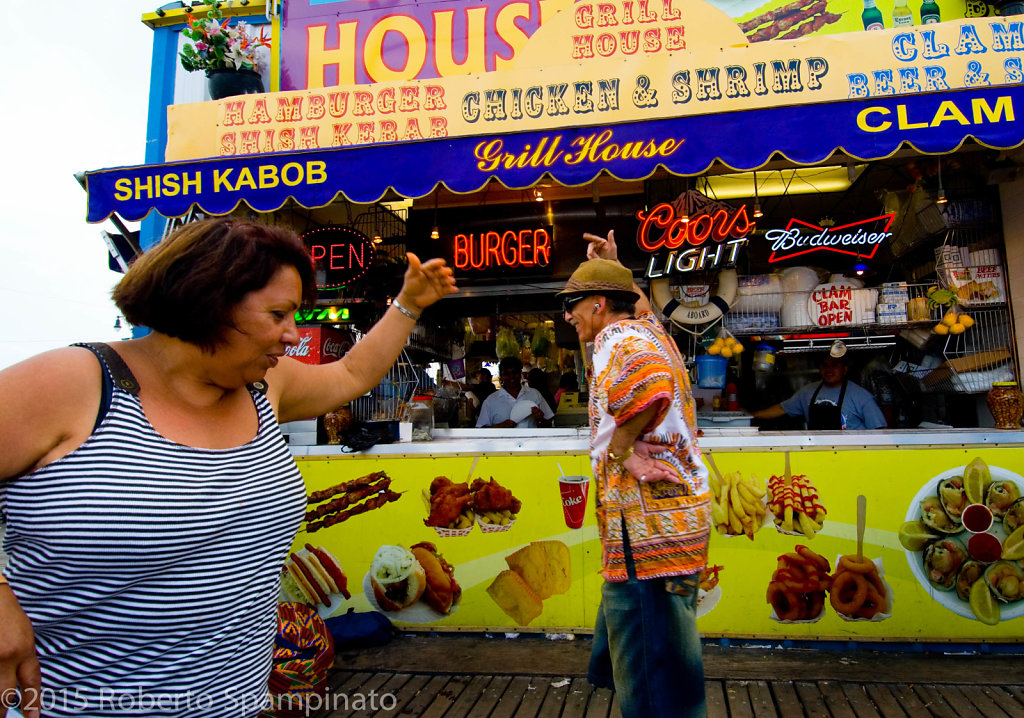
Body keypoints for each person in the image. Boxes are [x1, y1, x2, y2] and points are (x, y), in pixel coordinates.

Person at [0, 217, 456, 718]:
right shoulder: (76, 383)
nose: (292, 335)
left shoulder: (265, 387)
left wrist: (408, 303)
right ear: (208, 300)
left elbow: (351, 372)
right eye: (279, 313)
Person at [560, 230, 710, 718]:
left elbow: (651, 383)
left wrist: (622, 449)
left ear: (600, 304)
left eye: (574, 305)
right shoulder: (645, 328)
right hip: (667, 525)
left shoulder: (616, 337)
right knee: (661, 653)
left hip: (647, 532)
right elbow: (640, 322)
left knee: (655, 678)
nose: (568, 316)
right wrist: (619, 268)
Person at [749, 355, 887, 430]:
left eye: (835, 365)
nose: (829, 370)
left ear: (844, 369)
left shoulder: (861, 396)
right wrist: (751, 416)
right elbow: (781, 409)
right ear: (819, 369)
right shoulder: (808, 392)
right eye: (825, 365)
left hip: (852, 454)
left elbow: (880, 431)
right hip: (817, 452)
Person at [475, 356, 554, 428]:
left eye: (515, 372)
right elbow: (480, 431)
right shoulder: (490, 401)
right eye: (506, 374)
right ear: (501, 376)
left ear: (520, 373)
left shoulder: (534, 394)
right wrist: (498, 427)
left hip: (532, 443)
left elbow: (550, 425)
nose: (511, 377)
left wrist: (540, 419)